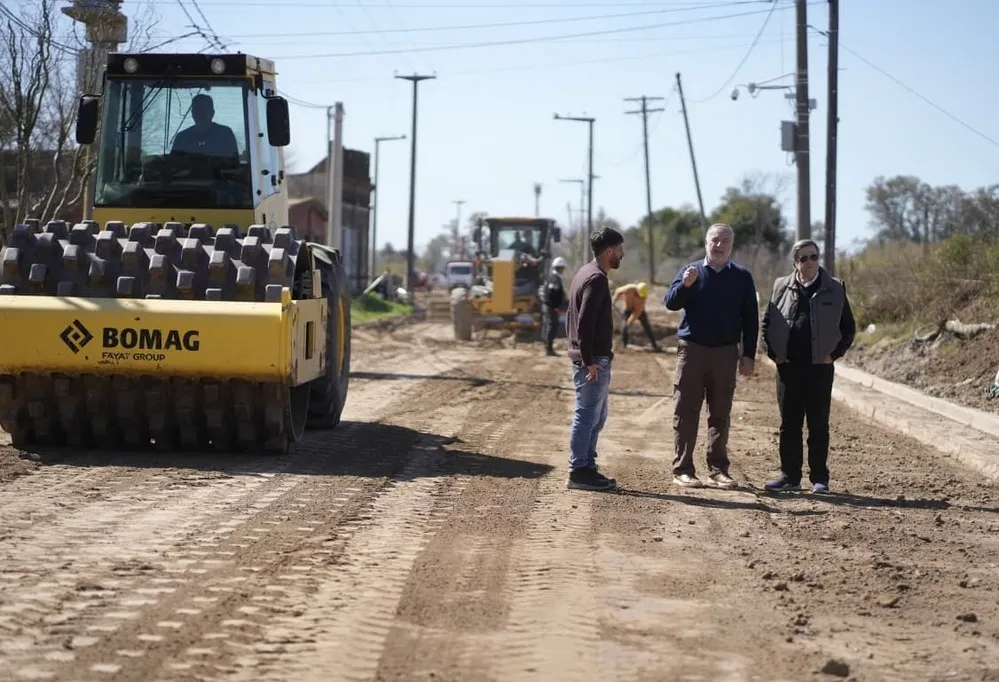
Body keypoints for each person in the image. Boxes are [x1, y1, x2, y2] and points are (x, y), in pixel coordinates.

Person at [663, 223, 758, 490]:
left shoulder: (742, 277)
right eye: (715, 240)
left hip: (725, 353)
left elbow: (750, 319)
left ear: (732, 245)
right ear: (706, 243)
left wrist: (748, 354)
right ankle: (683, 469)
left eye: (725, 241)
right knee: (686, 410)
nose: (719, 245)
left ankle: (718, 470)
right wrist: (685, 285)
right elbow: (670, 302)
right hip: (692, 351)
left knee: (720, 413)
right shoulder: (691, 271)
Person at [761, 239, 856, 494]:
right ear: (795, 262)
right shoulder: (781, 286)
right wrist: (774, 354)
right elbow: (767, 322)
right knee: (789, 425)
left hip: (819, 369)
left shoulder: (835, 288)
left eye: (813, 257)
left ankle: (819, 478)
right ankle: (789, 476)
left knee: (818, 424)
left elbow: (848, 328)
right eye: (803, 258)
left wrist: (834, 355)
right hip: (788, 369)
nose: (809, 262)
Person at [565, 226, 625, 491]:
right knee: (587, 416)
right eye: (620, 250)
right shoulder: (596, 279)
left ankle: (587, 466)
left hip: (592, 359)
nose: (622, 255)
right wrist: (588, 360)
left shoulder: (586, 272)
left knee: (596, 418)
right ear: (610, 251)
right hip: (591, 361)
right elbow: (585, 321)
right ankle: (579, 470)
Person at [171, 94, 240, 160]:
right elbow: (173, 166)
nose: (200, 113)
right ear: (192, 113)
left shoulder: (225, 135)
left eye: (204, 109)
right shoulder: (182, 138)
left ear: (212, 113)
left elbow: (234, 165)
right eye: (197, 110)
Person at [613, 281, 662, 352]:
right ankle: (624, 345)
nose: (639, 296)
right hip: (628, 309)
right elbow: (618, 291)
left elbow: (637, 312)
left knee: (647, 327)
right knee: (624, 327)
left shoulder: (643, 298)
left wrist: (630, 321)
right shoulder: (629, 288)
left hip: (640, 312)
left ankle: (654, 345)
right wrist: (615, 299)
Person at [541, 256, 568, 357]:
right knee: (551, 327)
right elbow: (552, 294)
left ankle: (548, 348)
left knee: (548, 326)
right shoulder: (554, 279)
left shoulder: (551, 277)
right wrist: (556, 306)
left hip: (548, 306)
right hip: (551, 307)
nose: (563, 270)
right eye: (562, 268)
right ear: (559, 268)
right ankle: (548, 350)